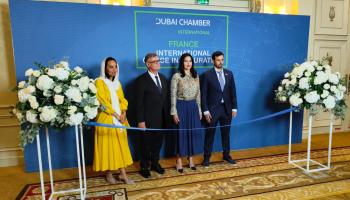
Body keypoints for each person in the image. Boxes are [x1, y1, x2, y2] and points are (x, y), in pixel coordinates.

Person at [93, 57, 134, 184]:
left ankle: (123, 174)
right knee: (108, 147)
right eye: (111, 66)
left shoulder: (118, 83)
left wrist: (124, 113)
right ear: (104, 68)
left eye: (115, 66)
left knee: (120, 146)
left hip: (120, 119)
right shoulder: (99, 82)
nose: (114, 69)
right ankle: (108, 173)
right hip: (106, 119)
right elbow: (102, 103)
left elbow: (122, 100)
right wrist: (116, 115)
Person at [201, 51, 238, 166]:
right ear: (213, 61)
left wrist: (234, 108)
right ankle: (206, 158)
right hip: (212, 110)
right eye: (218, 60)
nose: (221, 62)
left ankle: (226, 155)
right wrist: (205, 110)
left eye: (222, 59)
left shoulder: (229, 73)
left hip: (227, 109)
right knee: (210, 134)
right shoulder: (207, 75)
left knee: (226, 133)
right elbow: (203, 95)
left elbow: (233, 92)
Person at [136, 53, 169, 178]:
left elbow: (165, 100)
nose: (157, 62)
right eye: (154, 61)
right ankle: (144, 166)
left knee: (157, 144)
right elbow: (139, 103)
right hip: (147, 120)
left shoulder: (163, 78)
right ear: (147, 64)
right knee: (145, 145)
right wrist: (140, 121)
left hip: (162, 119)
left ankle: (155, 163)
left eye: (158, 60)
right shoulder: (141, 80)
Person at [170, 53, 202, 173]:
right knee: (181, 134)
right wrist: (174, 112)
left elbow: (199, 94)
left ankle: (191, 159)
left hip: (193, 107)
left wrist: (199, 109)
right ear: (181, 63)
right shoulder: (176, 76)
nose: (188, 63)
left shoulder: (196, 76)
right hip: (181, 107)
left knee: (192, 133)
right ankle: (178, 160)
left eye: (190, 61)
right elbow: (172, 95)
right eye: (185, 61)